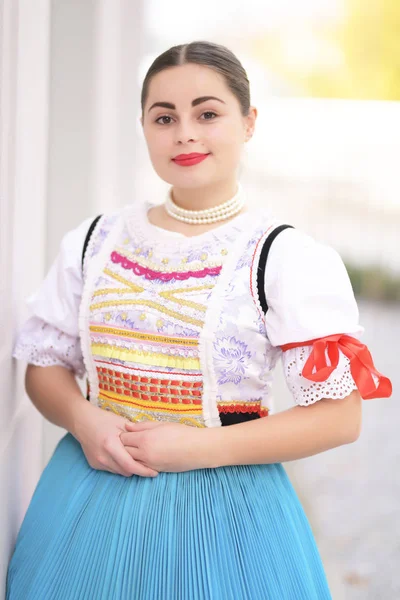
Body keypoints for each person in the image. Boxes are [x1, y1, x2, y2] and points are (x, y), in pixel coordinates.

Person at [6, 41, 392, 600]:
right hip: (86, 495)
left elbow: (339, 419)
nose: (185, 133)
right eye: (164, 117)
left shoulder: (283, 257)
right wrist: (85, 422)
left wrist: (195, 449)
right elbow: (44, 368)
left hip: (225, 513)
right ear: (143, 126)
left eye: (207, 113)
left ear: (248, 122)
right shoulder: (94, 242)